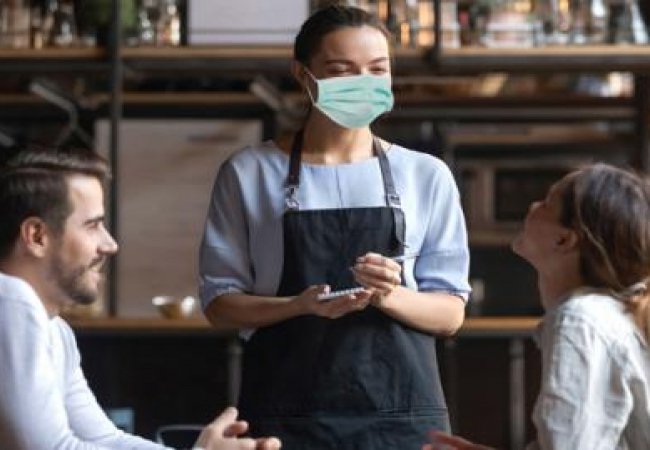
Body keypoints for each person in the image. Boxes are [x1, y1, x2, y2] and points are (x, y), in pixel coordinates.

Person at [198, 4, 471, 448]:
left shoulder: (426, 175)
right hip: (286, 414)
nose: (362, 83)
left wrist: (389, 294)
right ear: (303, 75)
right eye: (342, 70)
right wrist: (298, 305)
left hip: (400, 418)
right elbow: (219, 303)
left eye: (377, 70)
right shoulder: (250, 172)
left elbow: (450, 313)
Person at [0, 146, 281, 450]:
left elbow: (107, 439)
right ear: (36, 236)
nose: (110, 244)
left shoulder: (55, 330)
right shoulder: (11, 300)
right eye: (92, 225)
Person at [424, 163, 650, 450]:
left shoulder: (580, 319)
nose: (532, 206)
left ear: (563, 240)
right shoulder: (606, 314)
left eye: (546, 203)